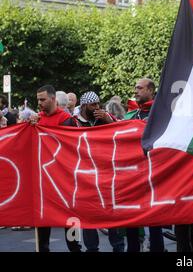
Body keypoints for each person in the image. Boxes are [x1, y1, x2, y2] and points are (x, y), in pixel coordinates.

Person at [29, 85, 82, 252]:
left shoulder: (67, 120)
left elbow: (73, 149)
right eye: (38, 99)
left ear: (53, 99)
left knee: (72, 230)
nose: (39, 103)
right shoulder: (37, 120)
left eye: (43, 99)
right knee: (43, 234)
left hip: (65, 183)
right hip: (44, 183)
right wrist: (29, 127)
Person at [72, 91, 116, 252]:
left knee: (112, 215)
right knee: (88, 218)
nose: (97, 107)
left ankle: (118, 247)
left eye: (98, 104)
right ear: (84, 106)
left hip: (105, 176)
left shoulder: (104, 118)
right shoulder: (73, 122)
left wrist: (107, 120)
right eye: (93, 105)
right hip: (84, 179)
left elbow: (119, 132)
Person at [124, 78, 164, 252]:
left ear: (150, 90)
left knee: (154, 220)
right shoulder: (134, 114)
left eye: (139, 88)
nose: (135, 91)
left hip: (154, 173)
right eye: (135, 88)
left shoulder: (160, 112)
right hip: (134, 174)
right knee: (132, 219)